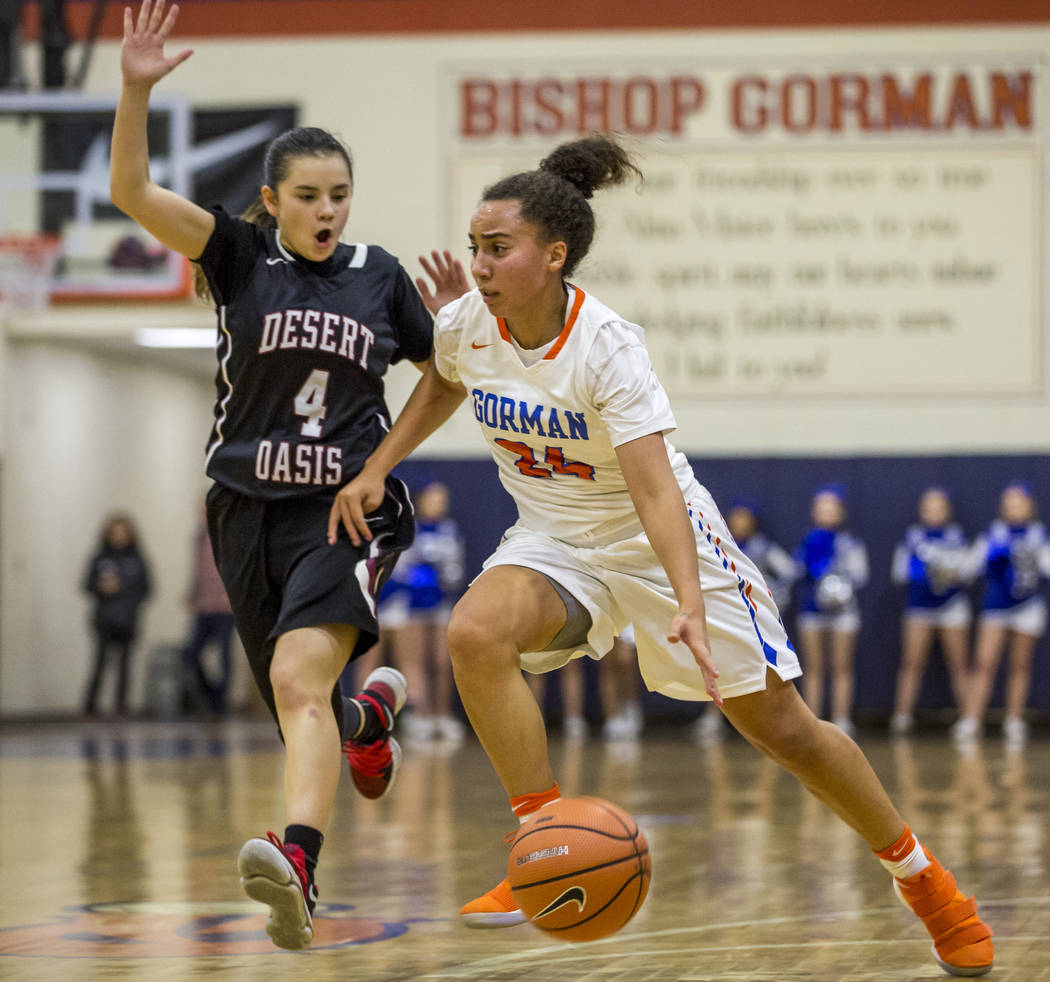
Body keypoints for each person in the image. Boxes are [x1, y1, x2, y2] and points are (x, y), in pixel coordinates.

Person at [330, 134, 993, 976]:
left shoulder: (609, 346)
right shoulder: (466, 325)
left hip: (658, 541)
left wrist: (684, 595)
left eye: (498, 248)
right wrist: (377, 467)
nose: (480, 264)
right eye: (475, 248)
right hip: (554, 539)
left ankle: (925, 883)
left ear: (554, 254)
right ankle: (537, 836)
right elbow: (445, 381)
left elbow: (655, 491)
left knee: (783, 729)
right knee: (473, 633)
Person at [109, 0, 467, 951]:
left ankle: (299, 861)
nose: (326, 210)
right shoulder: (234, 254)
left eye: (339, 194)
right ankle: (372, 715)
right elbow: (133, 192)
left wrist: (379, 468)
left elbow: (449, 378)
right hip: (241, 508)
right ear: (272, 200)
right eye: (308, 195)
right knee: (299, 702)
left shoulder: (380, 277)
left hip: (345, 510)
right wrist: (136, 89)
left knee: (298, 679)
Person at [954, 481, 1050, 747]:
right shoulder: (993, 534)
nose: (1014, 508)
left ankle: (1014, 719)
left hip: (1028, 607)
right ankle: (972, 719)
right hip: (996, 606)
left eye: (1019, 503)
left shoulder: (1039, 535)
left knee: (1020, 665)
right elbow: (968, 569)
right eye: (1009, 503)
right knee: (984, 662)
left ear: (1030, 506)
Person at [696, 498, 795, 742]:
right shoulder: (718, 543)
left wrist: (773, 597)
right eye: (736, 518)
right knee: (717, 666)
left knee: (763, 669)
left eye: (745, 519)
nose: (739, 523)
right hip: (725, 617)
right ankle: (713, 719)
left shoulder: (763, 548)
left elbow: (790, 571)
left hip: (754, 620)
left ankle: (771, 719)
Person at [385, 480, 467, 742]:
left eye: (443, 499)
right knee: (415, 662)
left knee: (443, 662)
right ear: (422, 502)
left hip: (441, 603)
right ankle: (420, 715)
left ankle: (442, 716)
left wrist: (441, 578)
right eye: (434, 498)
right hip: (412, 606)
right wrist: (420, 577)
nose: (439, 503)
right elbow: (400, 568)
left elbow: (456, 570)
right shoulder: (412, 529)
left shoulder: (450, 530)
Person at [889, 487, 973, 735]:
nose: (933, 512)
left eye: (939, 507)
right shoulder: (912, 538)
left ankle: (969, 719)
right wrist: (921, 570)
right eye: (928, 507)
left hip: (952, 607)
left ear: (947, 511)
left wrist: (947, 572)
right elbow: (899, 572)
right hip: (920, 608)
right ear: (921, 511)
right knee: (912, 663)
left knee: (959, 663)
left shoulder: (957, 537)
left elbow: (968, 570)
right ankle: (901, 716)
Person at [794, 485, 869, 736]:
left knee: (842, 666)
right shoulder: (808, 540)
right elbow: (795, 570)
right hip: (812, 611)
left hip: (843, 613)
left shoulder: (850, 542)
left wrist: (838, 584)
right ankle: (812, 719)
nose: (826, 513)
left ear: (841, 512)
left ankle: (841, 719)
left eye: (831, 508)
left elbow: (861, 575)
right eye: (821, 508)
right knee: (813, 667)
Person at [82, 513, 152, 718]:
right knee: (100, 663)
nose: (119, 536)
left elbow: (147, 588)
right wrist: (102, 588)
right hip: (104, 619)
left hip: (128, 619)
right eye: (115, 532)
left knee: (125, 665)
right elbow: (86, 585)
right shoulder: (100, 557)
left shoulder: (137, 558)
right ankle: (90, 707)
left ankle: (121, 707)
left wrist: (128, 597)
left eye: (123, 532)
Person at [182, 503, 236, 715]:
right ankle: (209, 695)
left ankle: (219, 704)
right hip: (203, 606)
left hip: (225, 606)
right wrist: (192, 592)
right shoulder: (197, 538)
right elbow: (198, 569)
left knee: (224, 655)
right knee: (190, 653)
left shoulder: (229, 535)